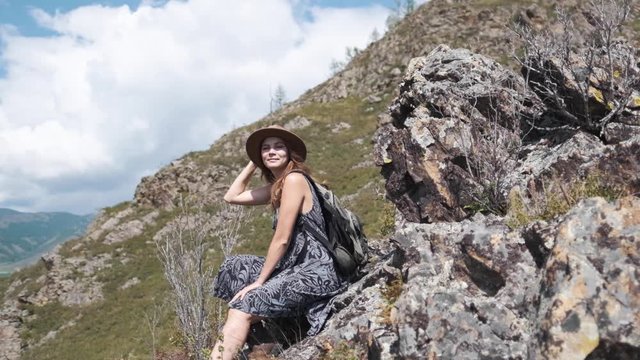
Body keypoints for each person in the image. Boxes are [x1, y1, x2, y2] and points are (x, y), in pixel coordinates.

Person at [211, 125, 348, 360]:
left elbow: (282, 239)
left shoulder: (295, 180)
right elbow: (231, 197)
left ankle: (233, 345)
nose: (272, 152)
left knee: (243, 305)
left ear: (290, 152)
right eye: (266, 148)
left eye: (278, 147)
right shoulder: (278, 185)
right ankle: (264, 338)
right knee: (234, 267)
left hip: (319, 272)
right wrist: (255, 161)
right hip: (294, 268)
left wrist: (260, 282)